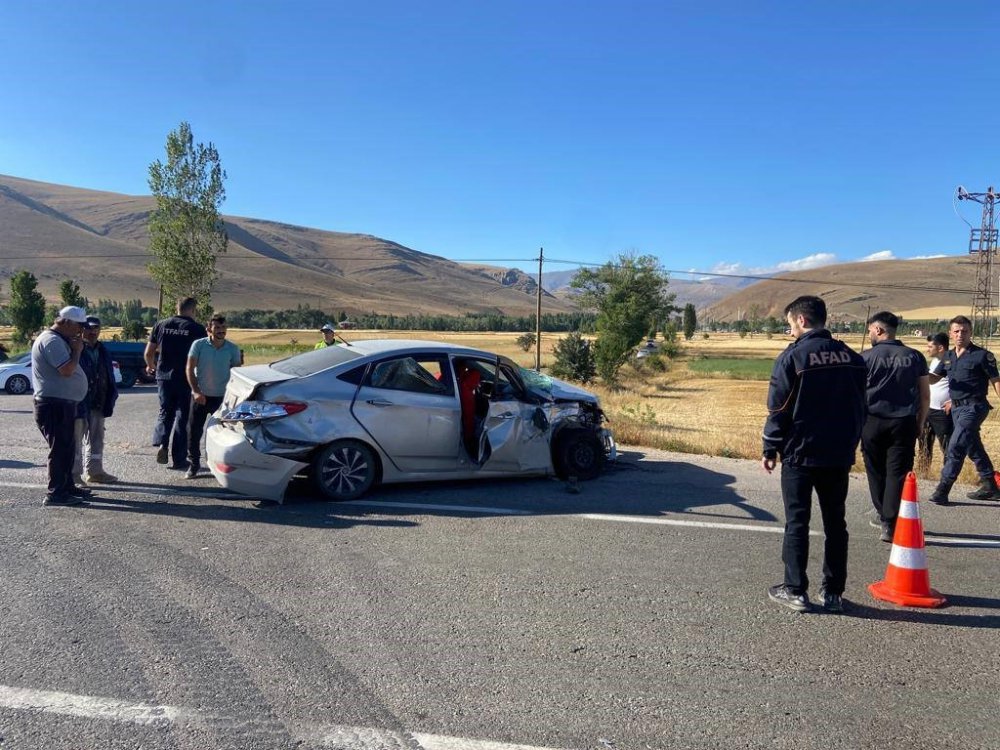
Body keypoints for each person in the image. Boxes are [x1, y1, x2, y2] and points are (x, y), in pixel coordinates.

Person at [762, 296, 866, 613]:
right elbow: (861, 406)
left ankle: (795, 590)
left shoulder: (793, 357)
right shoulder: (852, 357)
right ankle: (833, 592)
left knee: (797, 522)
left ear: (802, 321)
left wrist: (770, 446)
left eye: (790, 323)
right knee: (836, 523)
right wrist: (851, 441)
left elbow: (778, 407)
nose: (790, 330)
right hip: (838, 453)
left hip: (801, 453)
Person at [860, 312, 929, 542]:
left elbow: (856, 394)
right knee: (897, 472)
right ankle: (890, 520)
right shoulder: (915, 356)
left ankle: (884, 515)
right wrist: (920, 421)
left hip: (871, 420)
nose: (869, 334)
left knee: (875, 470)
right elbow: (924, 395)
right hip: (903, 421)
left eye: (870, 330)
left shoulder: (865, 357)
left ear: (879, 330)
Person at [928, 315, 1000, 505]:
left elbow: (996, 381)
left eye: (965, 331)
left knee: (956, 445)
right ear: (951, 334)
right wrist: (915, 375)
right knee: (972, 446)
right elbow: (934, 378)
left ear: (971, 333)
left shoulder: (982, 355)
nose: (961, 334)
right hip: (956, 409)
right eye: (957, 331)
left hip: (974, 407)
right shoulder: (948, 357)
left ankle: (943, 489)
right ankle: (990, 486)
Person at [31, 306, 92, 506]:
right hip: (53, 404)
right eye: (79, 326)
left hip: (61, 404)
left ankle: (67, 487)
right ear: (66, 322)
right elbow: (66, 370)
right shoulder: (51, 341)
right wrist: (76, 351)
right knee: (59, 449)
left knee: (67, 447)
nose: (81, 331)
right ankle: (55, 493)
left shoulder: (58, 339)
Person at [145, 297, 207, 470]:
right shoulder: (196, 328)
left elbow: (149, 352)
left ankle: (161, 442)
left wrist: (152, 367)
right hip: (185, 378)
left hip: (164, 377)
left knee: (165, 411)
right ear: (193, 310)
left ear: (177, 307)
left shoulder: (161, 325)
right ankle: (179, 459)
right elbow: (202, 356)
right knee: (182, 417)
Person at [185, 314, 241, 478]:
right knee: (194, 433)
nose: (221, 331)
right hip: (200, 396)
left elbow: (236, 373)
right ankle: (194, 464)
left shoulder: (232, 349)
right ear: (209, 329)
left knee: (226, 434)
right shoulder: (198, 345)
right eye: (217, 328)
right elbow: (189, 369)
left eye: (223, 328)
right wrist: (196, 391)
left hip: (222, 399)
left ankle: (222, 466)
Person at [73, 316, 119, 484]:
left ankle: (95, 472)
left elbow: (108, 376)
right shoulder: (75, 348)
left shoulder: (103, 350)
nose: (93, 331)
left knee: (97, 441)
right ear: (82, 329)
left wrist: (111, 397)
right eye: (89, 328)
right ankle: (74, 475)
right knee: (76, 442)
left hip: (98, 403)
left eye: (96, 328)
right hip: (79, 404)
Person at [919, 332, 953, 464]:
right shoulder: (934, 362)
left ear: (940, 348)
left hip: (942, 412)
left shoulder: (950, 363)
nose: (927, 349)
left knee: (947, 446)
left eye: (930, 346)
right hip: (928, 410)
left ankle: (948, 476)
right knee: (924, 445)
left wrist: (953, 401)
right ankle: (923, 476)